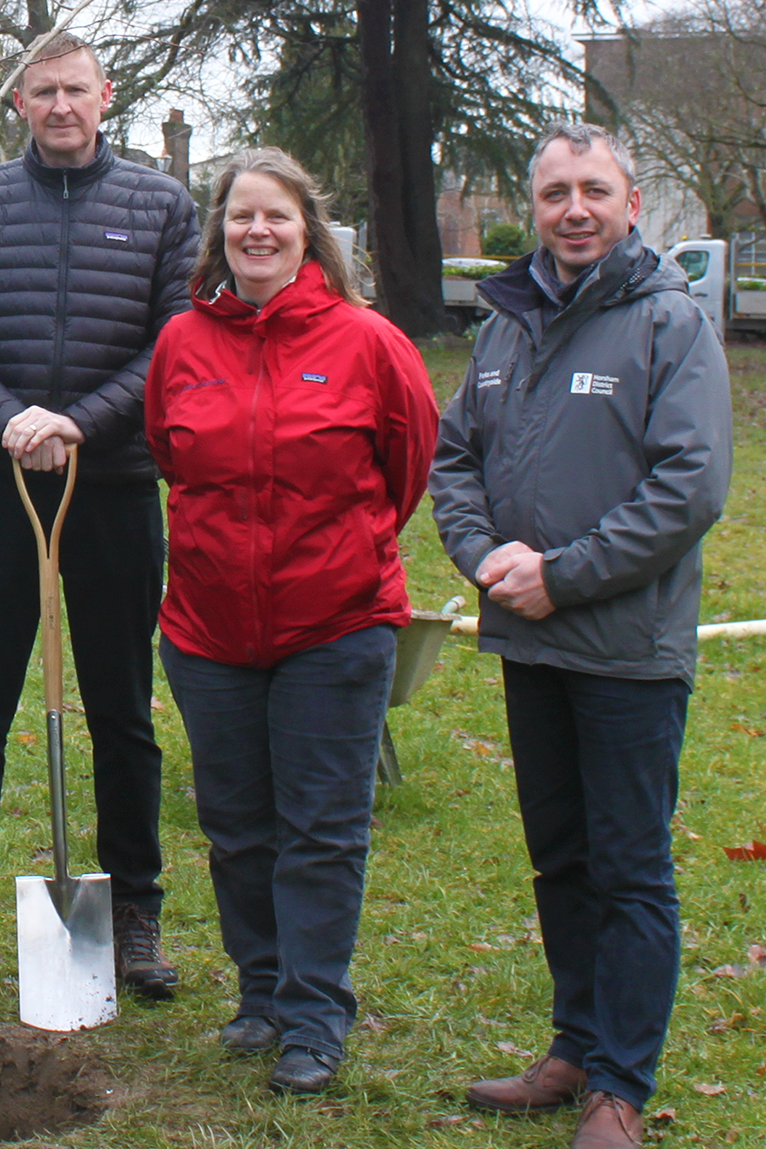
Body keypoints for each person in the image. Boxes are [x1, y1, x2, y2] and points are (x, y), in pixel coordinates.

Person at [431, 122, 731, 1149]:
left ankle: (619, 1087)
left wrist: (566, 576)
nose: (574, 210)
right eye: (556, 192)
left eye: (593, 190)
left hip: (629, 651)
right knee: (559, 858)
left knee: (629, 865)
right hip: (531, 642)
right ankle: (572, 1045)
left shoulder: (669, 324)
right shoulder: (507, 326)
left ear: (631, 203)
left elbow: (689, 486)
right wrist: (484, 561)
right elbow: (455, 459)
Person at [0, 29, 199, 999]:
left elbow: (174, 346)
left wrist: (82, 422)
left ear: (106, 95)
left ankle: (135, 911)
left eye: (76, 89)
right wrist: (12, 423)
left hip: (112, 488)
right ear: (20, 103)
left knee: (122, 708)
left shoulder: (162, 206)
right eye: (43, 92)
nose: (61, 106)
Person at [145, 149, 438, 1096]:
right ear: (218, 233)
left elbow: (407, 470)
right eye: (239, 218)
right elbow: (168, 456)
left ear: (309, 230)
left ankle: (315, 1015)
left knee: (321, 830)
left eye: (275, 217)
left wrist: (333, 555)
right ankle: (261, 993)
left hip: (335, 627)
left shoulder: (369, 344)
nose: (256, 233)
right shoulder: (181, 345)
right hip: (207, 630)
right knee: (236, 826)